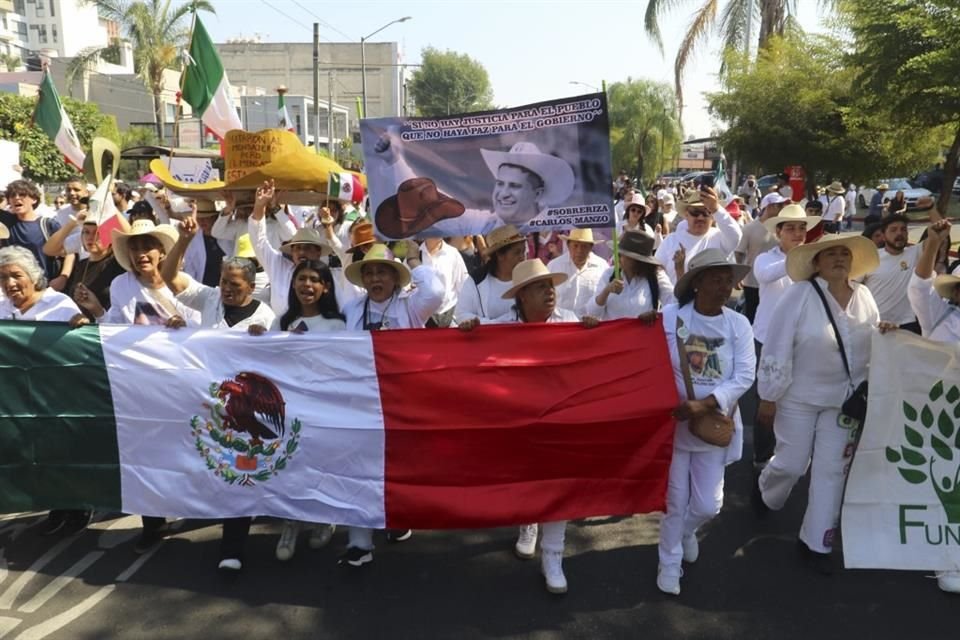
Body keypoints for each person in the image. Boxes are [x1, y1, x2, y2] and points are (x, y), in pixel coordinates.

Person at [459, 258, 599, 594]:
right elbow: (470, 349)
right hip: (518, 422)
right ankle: (528, 523)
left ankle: (553, 557)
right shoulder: (500, 327)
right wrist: (466, 334)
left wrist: (598, 332)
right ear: (521, 296)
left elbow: (598, 354)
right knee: (525, 479)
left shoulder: (570, 322)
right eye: (540, 287)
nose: (550, 293)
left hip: (560, 421)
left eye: (551, 286)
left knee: (558, 486)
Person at [755, 235, 892, 575]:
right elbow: (778, 343)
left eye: (844, 253)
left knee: (832, 471)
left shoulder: (864, 296)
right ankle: (766, 491)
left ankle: (817, 541)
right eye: (830, 253)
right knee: (792, 463)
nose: (838, 259)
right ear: (816, 263)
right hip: (799, 396)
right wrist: (769, 397)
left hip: (844, 402)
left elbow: (872, 336)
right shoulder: (799, 295)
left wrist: (885, 331)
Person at [657, 249, 755, 596]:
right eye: (716, 277)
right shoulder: (670, 318)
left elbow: (745, 375)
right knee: (674, 500)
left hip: (712, 426)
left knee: (707, 505)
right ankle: (669, 562)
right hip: (674, 426)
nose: (724, 284)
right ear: (696, 282)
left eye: (728, 278)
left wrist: (705, 404)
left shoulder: (738, 324)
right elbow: (644, 352)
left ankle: (685, 533)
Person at [339, 241, 443, 565]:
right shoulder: (352, 309)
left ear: (396, 278)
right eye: (369, 272)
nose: (374, 278)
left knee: (399, 467)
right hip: (361, 402)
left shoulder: (411, 305)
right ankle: (359, 542)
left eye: (382, 271)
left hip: (403, 403)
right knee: (358, 468)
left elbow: (437, 292)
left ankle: (397, 519)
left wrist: (413, 257)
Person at [0, 245, 89, 535]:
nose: (10, 284)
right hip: (18, 397)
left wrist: (81, 327)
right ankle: (55, 504)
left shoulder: (60, 306)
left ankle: (77, 505)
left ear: (33, 275)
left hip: (57, 395)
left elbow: (79, 349)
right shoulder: (3, 308)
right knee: (37, 454)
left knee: (63, 451)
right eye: (3, 278)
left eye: (16, 275)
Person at [372, 132, 576, 237]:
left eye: (514, 186)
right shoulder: (483, 223)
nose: (503, 193)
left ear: (538, 194)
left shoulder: (563, 232)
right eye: (500, 183)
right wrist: (394, 160)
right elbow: (430, 203)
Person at [751, 204, 821, 471]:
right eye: (790, 228)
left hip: (803, 343)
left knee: (798, 399)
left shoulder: (813, 261)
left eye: (802, 227)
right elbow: (765, 275)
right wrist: (803, 257)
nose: (797, 232)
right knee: (767, 403)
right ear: (778, 232)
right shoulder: (766, 259)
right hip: (767, 339)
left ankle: (791, 453)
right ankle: (761, 457)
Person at [247, 181, 339, 316]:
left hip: (319, 333)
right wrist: (260, 205)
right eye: (297, 248)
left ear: (318, 252)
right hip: (283, 332)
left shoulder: (330, 276)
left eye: (307, 248)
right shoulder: (279, 266)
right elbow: (258, 240)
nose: (302, 252)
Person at [41, 208, 127, 323]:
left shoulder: (119, 263)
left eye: (97, 233)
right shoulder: (81, 265)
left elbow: (129, 237)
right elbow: (48, 249)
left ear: (109, 236)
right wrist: (72, 223)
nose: (90, 237)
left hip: (107, 331)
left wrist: (110, 207)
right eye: (86, 232)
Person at [654, 186, 744, 284]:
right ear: (686, 215)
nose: (700, 217)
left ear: (713, 216)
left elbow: (736, 236)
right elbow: (658, 270)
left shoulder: (720, 238)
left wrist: (716, 209)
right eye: (695, 212)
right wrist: (668, 296)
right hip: (675, 298)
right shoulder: (671, 240)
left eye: (706, 213)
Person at [0, 179, 71, 290]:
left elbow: (69, 252)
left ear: (33, 199)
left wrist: (63, 277)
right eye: (12, 195)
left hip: (44, 288)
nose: (17, 198)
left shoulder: (48, 225)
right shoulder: (6, 222)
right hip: (13, 288)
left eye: (22, 194)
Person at [587, 231, 673, 319]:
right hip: (613, 333)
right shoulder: (609, 274)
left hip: (643, 332)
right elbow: (592, 312)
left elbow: (674, 303)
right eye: (619, 254)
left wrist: (656, 314)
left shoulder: (656, 277)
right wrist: (606, 291)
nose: (618, 257)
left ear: (638, 261)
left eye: (624, 255)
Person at [454, 224, 527, 325]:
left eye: (524, 252)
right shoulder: (476, 280)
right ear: (500, 255)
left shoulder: (530, 279)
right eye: (517, 253)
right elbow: (462, 314)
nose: (522, 257)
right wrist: (496, 325)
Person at [861, 214, 922, 332]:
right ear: (884, 236)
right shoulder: (871, 257)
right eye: (893, 230)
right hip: (877, 324)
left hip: (907, 324)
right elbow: (853, 287)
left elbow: (938, 235)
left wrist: (930, 208)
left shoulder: (915, 253)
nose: (899, 233)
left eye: (903, 229)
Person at [735, 193, 786, 323]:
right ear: (768, 206)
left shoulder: (781, 229)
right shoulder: (750, 228)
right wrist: (738, 276)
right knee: (752, 315)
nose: (782, 208)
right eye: (779, 205)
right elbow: (739, 252)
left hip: (775, 281)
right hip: (753, 281)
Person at [548, 228, 609, 317]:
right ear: (568, 246)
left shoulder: (602, 267)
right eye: (575, 246)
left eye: (584, 246)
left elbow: (608, 299)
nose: (579, 251)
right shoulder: (554, 266)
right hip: (562, 325)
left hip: (592, 325)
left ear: (591, 247)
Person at [419, 236, 469, 327]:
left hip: (449, 319)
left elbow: (464, 288)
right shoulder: (414, 256)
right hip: (421, 321)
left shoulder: (453, 254)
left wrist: (462, 317)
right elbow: (405, 289)